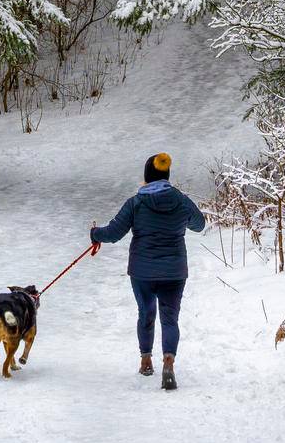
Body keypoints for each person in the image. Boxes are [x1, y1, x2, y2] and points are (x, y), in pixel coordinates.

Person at [88, 151, 206, 390]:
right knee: (170, 318)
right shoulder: (180, 200)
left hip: (142, 271)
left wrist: (95, 233)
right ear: (166, 175)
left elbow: (113, 232)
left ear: (147, 177)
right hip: (174, 270)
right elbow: (199, 224)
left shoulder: (136, 203)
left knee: (146, 313)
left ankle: (145, 361)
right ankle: (169, 362)